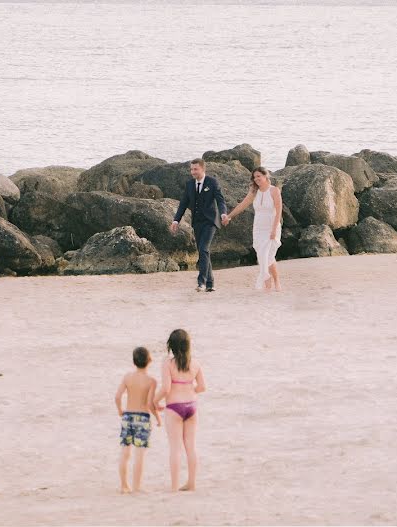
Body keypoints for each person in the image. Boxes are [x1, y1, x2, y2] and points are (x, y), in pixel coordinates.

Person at [153, 329, 206, 491]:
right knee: (191, 446)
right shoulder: (195, 363)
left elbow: (166, 389)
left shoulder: (167, 364)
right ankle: (191, 483)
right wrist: (190, 391)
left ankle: (174, 487)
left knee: (175, 448)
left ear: (172, 346)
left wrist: (154, 401)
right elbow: (203, 387)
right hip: (192, 407)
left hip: (174, 408)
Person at [170, 159, 228, 292]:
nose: (193, 172)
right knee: (204, 251)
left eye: (195, 169)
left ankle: (201, 282)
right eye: (191, 169)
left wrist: (223, 214)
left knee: (203, 249)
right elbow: (183, 203)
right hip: (197, 222)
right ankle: (210, 283)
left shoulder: (212, 182)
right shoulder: (190, 184)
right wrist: (176, 220)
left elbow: (220, 200)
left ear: (202, 169)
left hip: (210, 221)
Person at [223, 166, 283, 291]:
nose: (256, 179)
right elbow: (242, 205)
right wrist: (229, 216)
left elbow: (278, 212)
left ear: (265, 176)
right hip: (258, 228)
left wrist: (273, 229)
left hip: (272, 227)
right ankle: (267, 284)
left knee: (269, 256)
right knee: (261, 255)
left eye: (258, 176)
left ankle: (276, 280)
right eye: (254, 177)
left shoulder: (274, 191)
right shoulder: (254, 192)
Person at [114, 346, 162, 494]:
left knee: (125, 452)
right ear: (150, 360)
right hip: (142, 418)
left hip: (128, 416)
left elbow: (117, 396)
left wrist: (120, 410)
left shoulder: (127, 377)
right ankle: (137, 486)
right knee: (139, 454)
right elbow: (149, 404)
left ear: (134, 361)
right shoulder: (151, 381)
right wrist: (158, 417)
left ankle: (124, 486)